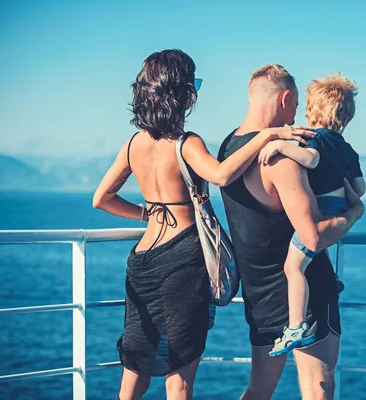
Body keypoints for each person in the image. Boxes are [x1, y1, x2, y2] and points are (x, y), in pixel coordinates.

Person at [92, 51, 314, 400]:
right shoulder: (187, 143)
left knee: (135, 367)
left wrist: (146, 214)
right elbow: (223, 174)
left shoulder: (134, 144)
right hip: (183, 259)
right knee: (179, 378)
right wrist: (268, 135)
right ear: (181, 93)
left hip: (142, 260)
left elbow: (102, 198)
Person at [218, 64, 365, 400]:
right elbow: (312, 237)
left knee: (257, 391)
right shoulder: (283, 159)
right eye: (296, 105)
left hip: (259, 295)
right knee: (319, 392)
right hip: (306, 295)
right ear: (285, 98)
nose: (297, 116)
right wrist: (355, 214)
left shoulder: (230, 149)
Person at [257, 73, 366, 356]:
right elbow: (360, 187)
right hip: (340, 207)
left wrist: (281, 145)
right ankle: (330, 282)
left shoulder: (313, 138)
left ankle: (296, 328)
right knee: (315, 254)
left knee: (293, 267)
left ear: (312, 111)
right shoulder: (347, 148)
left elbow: (312, 159)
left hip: (322, 211)